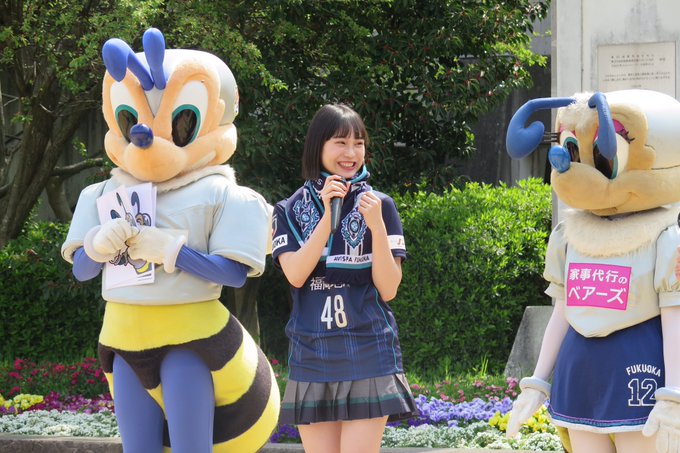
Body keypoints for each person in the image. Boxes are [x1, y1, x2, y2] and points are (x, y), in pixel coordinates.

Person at [271, 104, 416, 453]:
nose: (351, 153)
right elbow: (296, 274)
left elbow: (389, 288)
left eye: (358, 143)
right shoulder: (287, 210)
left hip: (367, 349)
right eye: (340, 143)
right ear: (318, 146)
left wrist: (376, 226)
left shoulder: (380, 205)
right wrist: (327, 217)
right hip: (311, 351)